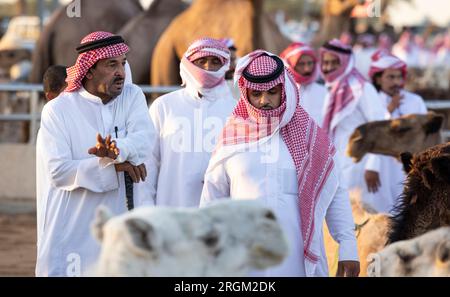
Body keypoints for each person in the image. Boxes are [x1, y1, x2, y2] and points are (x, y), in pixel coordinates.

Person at [200, 50, 359, 277]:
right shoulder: (231, 138)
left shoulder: (309, 136)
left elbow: (335, 191)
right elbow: (211, 201)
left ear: (283, 90)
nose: (264, 101)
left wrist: (348, 247)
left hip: (296, 260)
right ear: (246, 93)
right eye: (256, 94)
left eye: (272, 92)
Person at [35, 31, 155, 276]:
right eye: (112, 64)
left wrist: (119, 151)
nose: (121, 72)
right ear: (89, 69)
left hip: (116, 223)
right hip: (72, 224)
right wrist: (110, 165)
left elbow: (144, 139)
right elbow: (58, 171)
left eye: (123, 63)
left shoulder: (132, 97)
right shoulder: (58, 110)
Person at [142, 37, 236, 207]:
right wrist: (147, 207)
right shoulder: (164, 106)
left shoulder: (235, 109)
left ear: (224, 66)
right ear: (189, 63)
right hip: (172, 209)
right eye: (201, 61)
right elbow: (149, 163)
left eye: (215, 61)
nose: (208, 67)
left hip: (220, 213)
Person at [319, 39, 387, 194]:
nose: (328, 67)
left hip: (359, 165)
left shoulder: (362, 87)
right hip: (336, 164)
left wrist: (373, 165)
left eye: (334, 63)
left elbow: (379, 126)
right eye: (326, 62)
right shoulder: (331, 88)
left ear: (345, 62)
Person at [363, 50, 427, 214]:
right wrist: (389, 109)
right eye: (390, 77)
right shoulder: (371, 101)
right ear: (378, 79)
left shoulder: (415, 101)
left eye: (399, 77)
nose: (396, 82)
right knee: (380, 213)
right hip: (380, 166)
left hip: (407, 165)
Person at [280, 42, 327, 125]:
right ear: (290, 65)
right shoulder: (283, 93)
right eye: (301, 64)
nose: (307, 69)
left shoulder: (324, 91)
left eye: (310, 63)